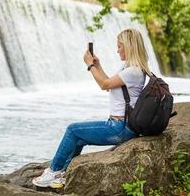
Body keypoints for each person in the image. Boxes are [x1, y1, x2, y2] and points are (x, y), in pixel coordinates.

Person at [32, 28, 152, 188]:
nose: (117, 50)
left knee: (73, 130)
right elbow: (110, 84)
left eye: (120, 46)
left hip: (119, 127)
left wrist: (90, 66)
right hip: (123, 126)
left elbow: (104, 85)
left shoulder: (133, 71)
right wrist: (98, 65)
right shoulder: (131, 69)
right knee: (79, 138)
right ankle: (61, 174)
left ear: (129, 46)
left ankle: (53, 171)